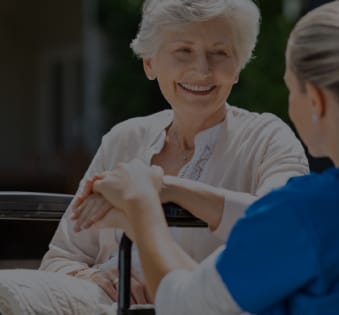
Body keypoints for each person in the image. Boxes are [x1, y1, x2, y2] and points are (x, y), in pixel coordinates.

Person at [72, 0, 339, 314]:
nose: (201, 67)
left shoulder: (306, 212)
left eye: (289, 87)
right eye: (184, 50)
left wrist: (142, 203)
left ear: (314, 100)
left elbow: (182, 306)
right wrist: (168, 188)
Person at [39, 0, 309, 305]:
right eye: (184, 50)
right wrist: (93, 278)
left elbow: (284, 228)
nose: (202, 69)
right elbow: (61, 258)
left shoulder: (268, 139)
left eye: (219, 53)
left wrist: (164, 188)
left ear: (238, 66)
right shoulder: (123, 139)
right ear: (150, 64)